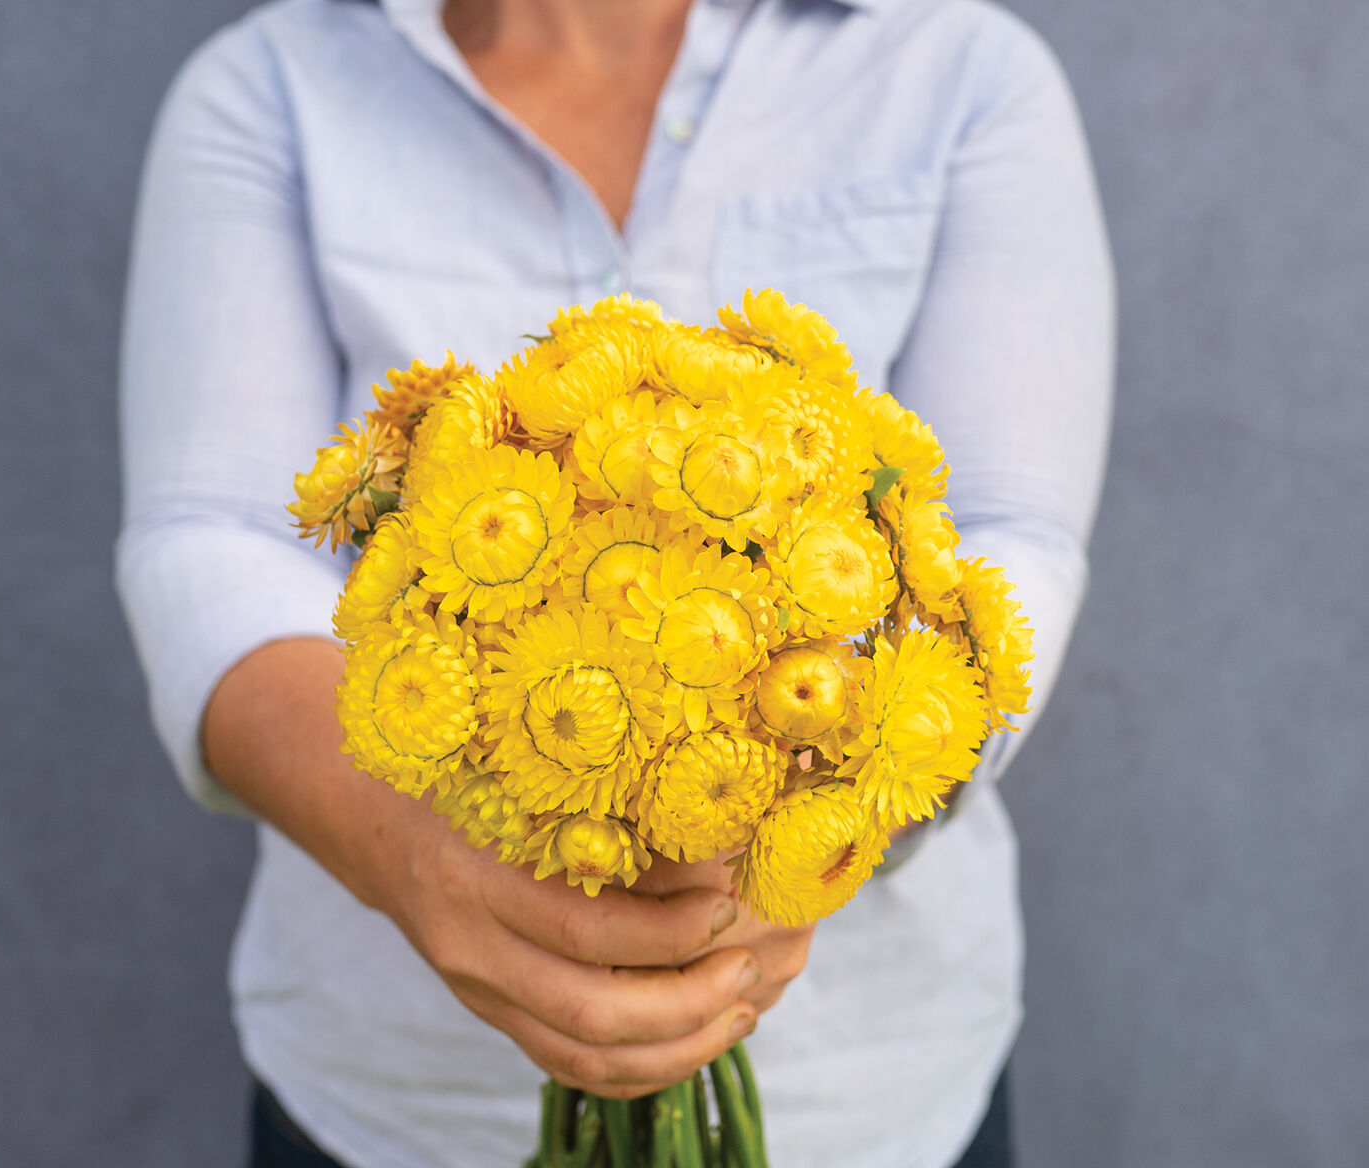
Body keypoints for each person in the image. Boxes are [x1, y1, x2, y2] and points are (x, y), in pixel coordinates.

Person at [115, 0, 1113, 1161]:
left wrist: (800, 829)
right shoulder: (270, 88)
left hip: (872, 1100)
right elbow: (209, 540)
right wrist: (402, 847)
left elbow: (1006, 537)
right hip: (396, 1109)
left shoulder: (960, 69)